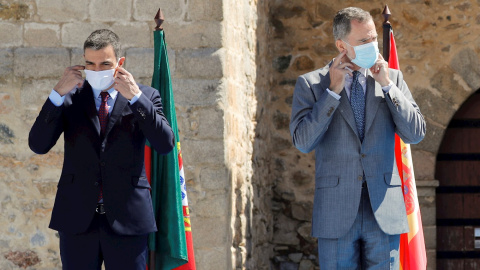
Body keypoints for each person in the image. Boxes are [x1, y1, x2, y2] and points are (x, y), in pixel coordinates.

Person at [289, 7, 426, 269]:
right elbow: (303, 142)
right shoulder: (311, 84)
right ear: (342, 45)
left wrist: (387, 85)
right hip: (336, 211)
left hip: (384, 210)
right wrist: (332, 92)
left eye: (374, 38)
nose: (372, 46)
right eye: (364, 41)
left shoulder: (392, 78)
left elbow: (416, 133)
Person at [29, 29, 174, 270]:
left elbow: (165, 143)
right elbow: (38, 144)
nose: (96, 70)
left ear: (120, 63)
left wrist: (136, 97)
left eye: (105, 64)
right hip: (77, 219)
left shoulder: (146, 96)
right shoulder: (69, 98)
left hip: (128, 219)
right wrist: (56, 94)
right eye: (90, 64)